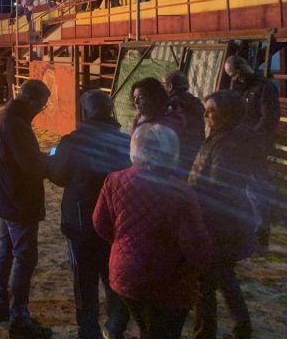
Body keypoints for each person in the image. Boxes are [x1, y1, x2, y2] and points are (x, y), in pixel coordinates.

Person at [93, 124, 213, 339]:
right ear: (171, 152)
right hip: (166, 279)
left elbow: (100, 222)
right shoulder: (181, 192)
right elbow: (194, 244)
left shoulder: (114, 180)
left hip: (125, 273)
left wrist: (124, 244)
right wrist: (202, 268)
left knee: (146, 326)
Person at [47, 91, 131, 339]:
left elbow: (59, 176)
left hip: (80, 218)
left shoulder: (72, 142)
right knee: (112, 272)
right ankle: (115, 324)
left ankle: (88, 328)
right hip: (116, 219)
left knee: (84, 277)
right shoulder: (125, 141)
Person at [0, 80, 52, 339]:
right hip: (17, 201)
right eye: (42, 106)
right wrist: (55, 158)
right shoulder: (16, 126)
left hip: (2, 197)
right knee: (24, 258)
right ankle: (20, 319)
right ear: (32, 101)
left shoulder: (0, 118)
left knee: (5, 251)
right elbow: (32, 165)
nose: (41, 110)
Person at [189, 90, 257, 339]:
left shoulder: (228, 145)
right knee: (223, 277)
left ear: (226, 116)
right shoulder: (220, 137)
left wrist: (192, 202)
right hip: (223, 221)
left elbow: (217, 187)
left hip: (218, 223)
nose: (205, 114)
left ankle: (206, 332)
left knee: (205, 280)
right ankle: (241, 325)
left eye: (212, 111)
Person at [224, 55, 279, 248]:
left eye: (236, 73)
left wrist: (249, 136)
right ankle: (249, 228)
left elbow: (268, 119)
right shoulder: (242, 87)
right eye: (232, 75)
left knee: (256, 188)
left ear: (243, 67)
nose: (235, 78)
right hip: (242, 142)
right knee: (243, 187)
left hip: (256, 144)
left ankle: (261, 231)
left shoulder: (265, 88)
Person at [161, 71, 205, 177]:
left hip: (176, 155)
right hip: (195, 154)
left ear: (169, 86)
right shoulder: (195, 103)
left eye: (162, 84)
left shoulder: (172, 105)